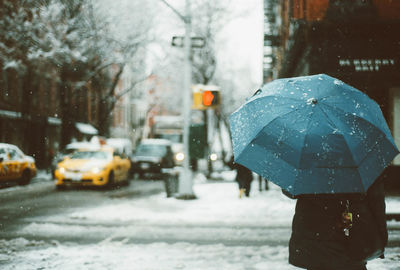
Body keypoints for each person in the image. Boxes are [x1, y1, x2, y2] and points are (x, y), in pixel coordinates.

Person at [283, 177, 387, 270]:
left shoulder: (308, 162)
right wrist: (380, 241)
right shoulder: (361, 163)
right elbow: (377, 204)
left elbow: (290, 190)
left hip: (314, 240)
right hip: (351, 240)